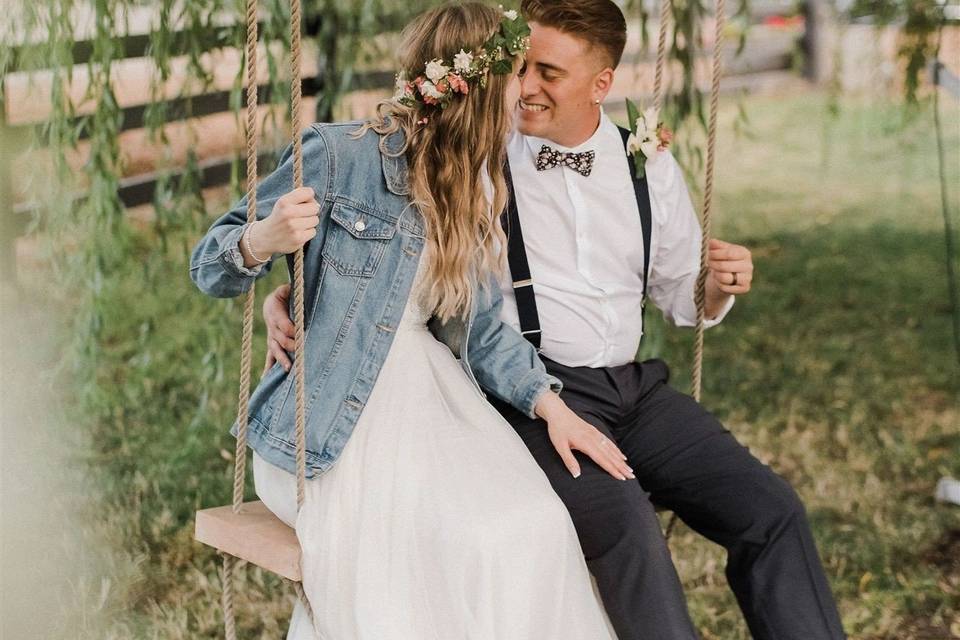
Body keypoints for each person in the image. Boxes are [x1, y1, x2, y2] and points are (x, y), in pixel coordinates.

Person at [263, 1, 849, 639]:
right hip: (530, 389)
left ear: (602, 84)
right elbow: (398, 245)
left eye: (548, 72)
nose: (527, 88)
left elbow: (685, 298)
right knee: (628, 529)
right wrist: (299, 295)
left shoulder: (646, 164)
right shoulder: (480, 153)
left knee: (772, 510)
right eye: (522, 68)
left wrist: (716, 286)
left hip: (635, 390)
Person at [190, 4, 626, 639]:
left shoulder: (470, 184)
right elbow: (210, 264)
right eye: (513, 76)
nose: (525, 91)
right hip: (333, 417)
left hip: (433, 399)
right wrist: (264, 238)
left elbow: (477, 328)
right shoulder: (340, 156)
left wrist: (551, 407)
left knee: (528, 522)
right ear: (475, 90)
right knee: (421, 540)